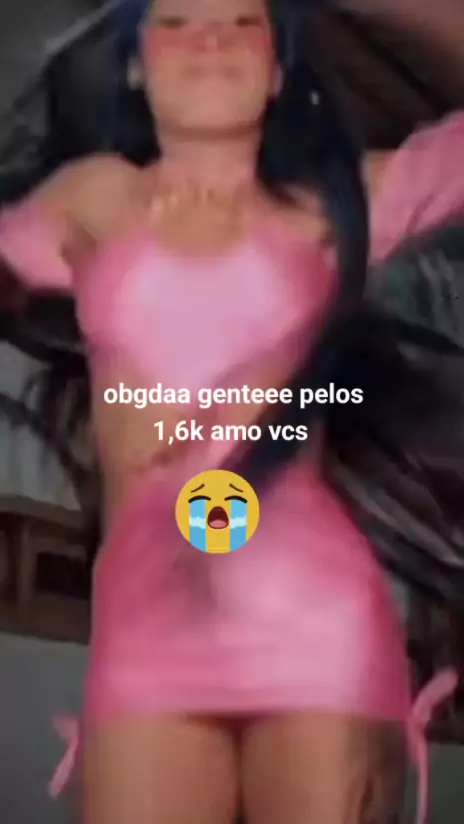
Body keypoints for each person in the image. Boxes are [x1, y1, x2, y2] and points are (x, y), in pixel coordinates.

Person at [0, 1, 462, 822]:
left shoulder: (337, 207)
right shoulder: (93, 199)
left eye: (242, 21)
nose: (210, 37)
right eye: (176, 20)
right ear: (135, 63)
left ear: (279, 69)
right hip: (149, 629)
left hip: (314, 631)